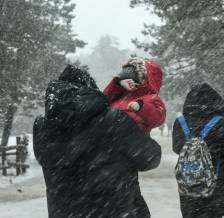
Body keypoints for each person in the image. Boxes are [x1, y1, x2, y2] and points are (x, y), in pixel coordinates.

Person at [33, 65, 161, 218]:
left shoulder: (42, 127)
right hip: (118, 211)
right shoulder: (114, 121)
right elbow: (151, 157)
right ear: (91, 90)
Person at [172, 83, 224, 218]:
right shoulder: (221, 123)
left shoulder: (180, 122)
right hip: (216, 184)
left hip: (188, 184)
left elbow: (177, 148)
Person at [103, 57, 166, 133]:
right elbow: (103, 100)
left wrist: (141, 106)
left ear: (145, 78)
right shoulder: (120, 94)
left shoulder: (152, 98)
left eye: (134, 73)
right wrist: (118, 84)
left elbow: (158, 119)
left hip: (131, 140)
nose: (130, 76)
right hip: (106, 138)